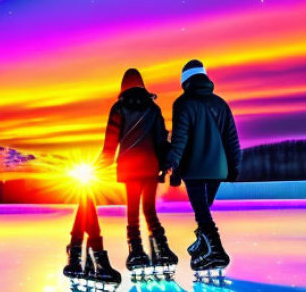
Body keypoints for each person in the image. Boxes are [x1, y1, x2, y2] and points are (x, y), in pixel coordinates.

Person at [97, 68, 179, 275]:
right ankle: (162, 247)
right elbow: (161, 141)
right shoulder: (153, 108)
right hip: (150, 167)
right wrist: (165, 165)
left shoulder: (118, 108)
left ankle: (136, 251)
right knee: (150, 210)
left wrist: (96, 168)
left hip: (129, 168)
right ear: (142, 84)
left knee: (133, 212)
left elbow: (110, 145)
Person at [166, 59, 242, 272]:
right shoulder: (220, 103)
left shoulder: (183, 103)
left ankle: (215, 250)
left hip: (195, 169)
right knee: (204, 210)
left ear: (185, 80)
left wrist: (173, 166)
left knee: (201, 212)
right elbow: (231, 139)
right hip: (218, 169)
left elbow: (180, 139)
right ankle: (202, 244)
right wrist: (234, 167)